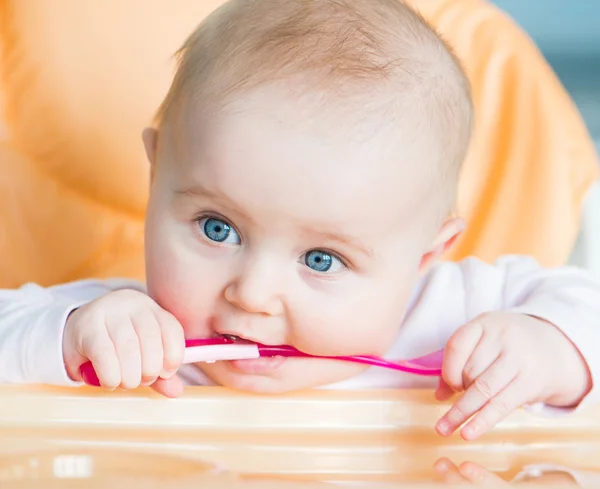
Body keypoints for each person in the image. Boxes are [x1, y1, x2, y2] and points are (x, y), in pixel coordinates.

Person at [1, 0, 598, 442]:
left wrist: (553, 350)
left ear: (422, 256)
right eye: (217, 228)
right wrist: (67, 335)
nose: (253, 295)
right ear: (156, 178)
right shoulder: (129, 335)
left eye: (322, 260)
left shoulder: (453, 318)